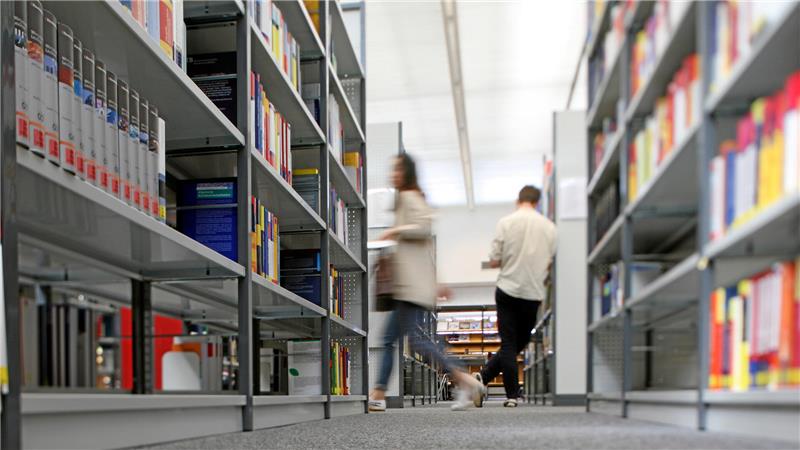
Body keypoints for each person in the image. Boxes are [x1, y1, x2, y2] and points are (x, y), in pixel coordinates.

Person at [368, 153, 484, 412]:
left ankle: (463, 379)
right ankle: (379, 394)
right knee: (403, 340)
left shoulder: (409, 197)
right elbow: (425, 248)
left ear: (407, 172)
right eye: (392, 169)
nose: (393, 174)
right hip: (411, 286)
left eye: (397, 169)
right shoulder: (405, 200)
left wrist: (394, 232)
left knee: (402, 340)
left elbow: (422, 227)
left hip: (409, 288)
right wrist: (437, 281)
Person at [476, 185, 556, 407]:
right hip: (533, 294)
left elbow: (494, 259)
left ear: (518, 200)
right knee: (517, 343)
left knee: (510, 345)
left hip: (508, 290)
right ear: (538, 202)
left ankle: (487, 379)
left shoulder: (506, 222)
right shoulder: (550, 228)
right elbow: (549, 263)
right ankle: (509, 392)